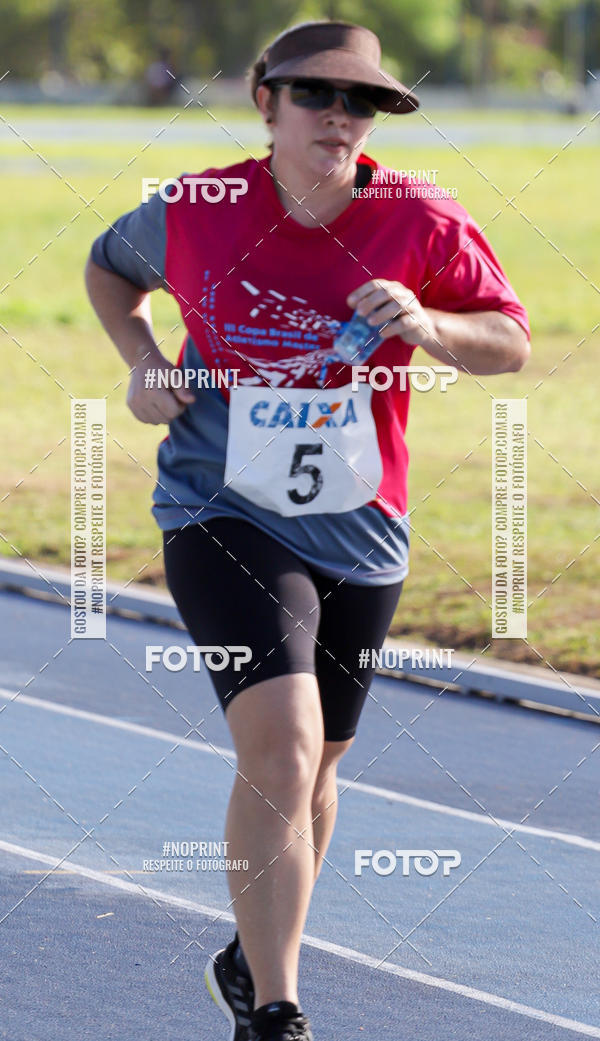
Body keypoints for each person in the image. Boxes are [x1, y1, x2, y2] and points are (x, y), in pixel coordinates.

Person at [85, 20, 530, 1041]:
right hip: (221, 507)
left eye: (361, 101)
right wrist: (144, 360)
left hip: (360, 527)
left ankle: (253, 951)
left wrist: (430, 325)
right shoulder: (199, 206)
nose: (341, 117)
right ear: (267, 103)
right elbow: (110, 269)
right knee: (281, 749)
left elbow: (507, 340)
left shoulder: (420, 215)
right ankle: (276, 1013)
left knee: (320, 763)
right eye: (318, 95)